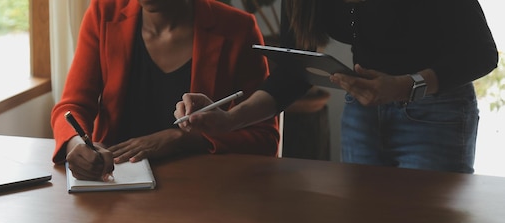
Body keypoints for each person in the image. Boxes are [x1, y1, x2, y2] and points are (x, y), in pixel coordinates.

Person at [175, 0, 498, 174]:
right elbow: (293, 73)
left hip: (435, 112)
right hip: (363, 112)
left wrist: (404, 87)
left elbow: (481, 54)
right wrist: (231, 119)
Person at [51, 0, 280, 181]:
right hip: (115, 184)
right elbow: (72, 106)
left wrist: (183, 140)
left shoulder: (237, 28)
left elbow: (265, 138)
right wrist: (77, 144)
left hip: (207, 191)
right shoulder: (104, 13)